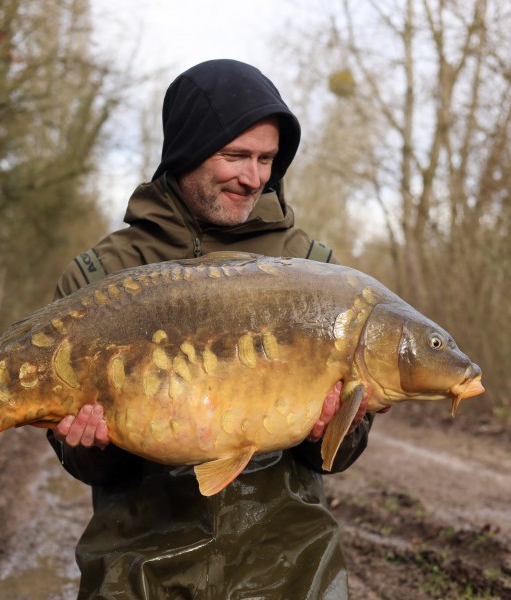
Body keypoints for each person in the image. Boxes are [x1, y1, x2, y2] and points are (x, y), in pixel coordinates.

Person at [47, 59, 376, 599]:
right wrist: (90, 444)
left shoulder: (315, 270)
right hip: (138, 572)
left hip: (290, 572)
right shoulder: (101, 274)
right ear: (186, 151)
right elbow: (85, 465)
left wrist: (337, 429)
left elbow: (336, 459)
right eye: (235, 156)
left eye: (267, 159)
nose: (253, 177)